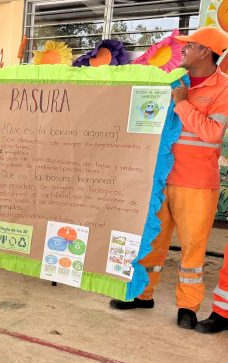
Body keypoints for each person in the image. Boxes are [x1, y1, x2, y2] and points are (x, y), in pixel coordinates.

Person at [110, 27, 228, 329]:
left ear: (205, 51)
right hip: (160, 179)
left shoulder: (223, 88)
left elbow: (212, 133)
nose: (183, 50)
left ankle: (187, 306)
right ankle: (142, 294)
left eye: (190, 45)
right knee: (152, 240)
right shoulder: (173, 80)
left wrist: (182, 103)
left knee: (192, 249)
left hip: (197, 183)